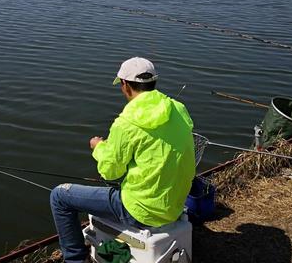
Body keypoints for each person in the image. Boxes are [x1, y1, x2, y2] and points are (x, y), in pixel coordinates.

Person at [50, 57, 196, 263]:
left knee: (59, 197)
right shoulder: (178, 109)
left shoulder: (126, 122)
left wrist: (99, 147)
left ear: (125, 85)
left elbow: (110, 172)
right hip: (174, 205)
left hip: (140, 210)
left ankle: (74, 260)